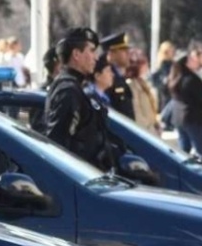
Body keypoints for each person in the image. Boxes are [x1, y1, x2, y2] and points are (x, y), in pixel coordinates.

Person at [45, 27, 114, 170]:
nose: (96, 57)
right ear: (76, 54)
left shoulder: (76, 87)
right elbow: (59, 147)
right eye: (91, 50)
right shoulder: (68, 91)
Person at [168, 49, 202, 161]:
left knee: (183, 152)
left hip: (180, 119)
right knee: (200, 153)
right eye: (192, 59)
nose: (195, 61)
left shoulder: (176, 78)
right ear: (186, 63)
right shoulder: (191, 79)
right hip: (196, 120)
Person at [101, 32, 135, 120]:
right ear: (111, 54)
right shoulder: (106, 78)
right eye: (123, 50)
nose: (128, 54)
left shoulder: (120, 77)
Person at [126, 49, 160, 135]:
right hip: (145, 130)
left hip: (151, 127)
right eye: (144, 63)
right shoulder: (131, 85)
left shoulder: (141, 82)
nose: (147, 66)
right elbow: (137, 111)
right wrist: (149, 129)